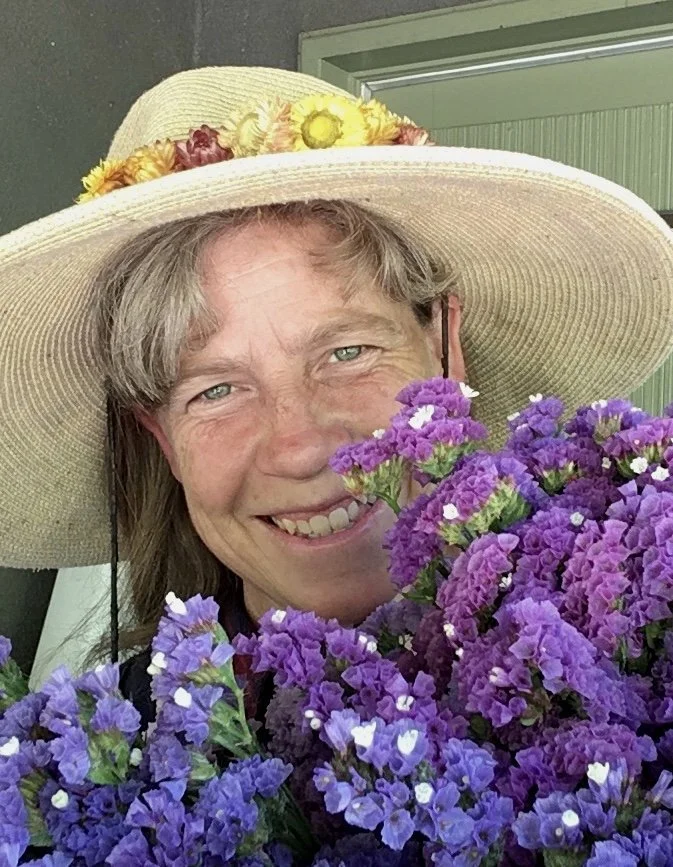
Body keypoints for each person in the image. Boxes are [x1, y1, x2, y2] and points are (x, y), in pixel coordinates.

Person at [2, 66, 673, 714]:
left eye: (346, 351)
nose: (299, 446)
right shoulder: (96, 776)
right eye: (214, 390)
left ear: (446, 348)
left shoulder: (641, 661)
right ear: (164, 442)